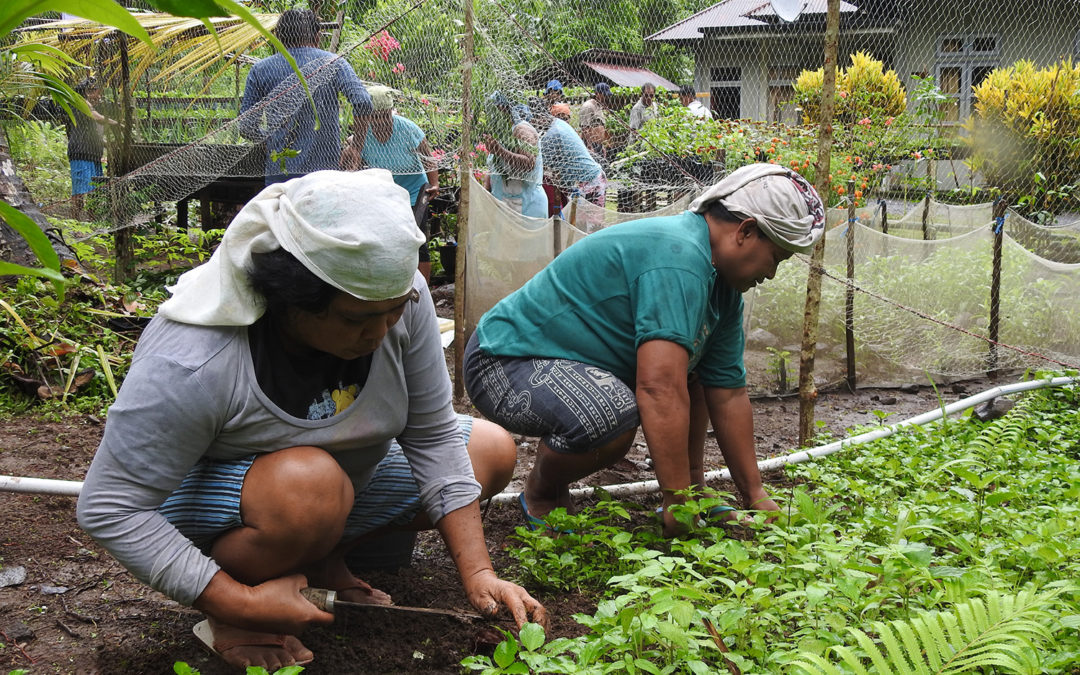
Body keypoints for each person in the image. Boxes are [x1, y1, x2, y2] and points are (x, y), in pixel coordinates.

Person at [76, 169, 546, 671]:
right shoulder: (196, 357)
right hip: (208, 504)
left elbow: (432, 435)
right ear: (291, 298)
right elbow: (112, 507)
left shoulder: (395, 297)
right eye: (356, 318)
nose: (381, 331)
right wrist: (237, 602)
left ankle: (318, 557)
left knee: (489, 450)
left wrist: (478, 574)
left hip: (320, 489)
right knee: (309, 485)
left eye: (393, 311)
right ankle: (245, 602)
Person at [463, 164, 825, 537]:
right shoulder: (680, 257)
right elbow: (659, 390)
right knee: (612, 412)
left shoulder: (723, 286)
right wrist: (676, 502)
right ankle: (543, 490)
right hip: (503, 360)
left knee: (696, 372)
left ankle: (697, 488)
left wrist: (754, 494)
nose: (771, 274)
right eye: (777, 258)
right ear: (745, 231)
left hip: (561, 364)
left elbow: (727, 392)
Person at [238, 9, 372, 184]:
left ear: (279, 37)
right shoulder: (334, 63)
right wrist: (356, 147)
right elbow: (363, 102)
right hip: (324, 174)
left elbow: (246, 126)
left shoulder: (261, 70)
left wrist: (267, 138)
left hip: (280, 176)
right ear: (317, 36)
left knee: (283, 211)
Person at [342, 85, 439, 280]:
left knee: (416, 239)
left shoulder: (408, 129)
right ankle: (393, 281)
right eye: (375, 116)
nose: (380, 121)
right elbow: (354, 159)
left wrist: (434, 184)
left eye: (384, 115)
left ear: (391, 112)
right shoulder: (362, 134)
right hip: (385, 192)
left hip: (414, 191)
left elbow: (429, 159)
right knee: (387, 236)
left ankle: (422, 289)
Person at [534, 107, 607, 230]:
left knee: (587, 229)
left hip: (590, 183)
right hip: (593, 179)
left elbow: (538, 166)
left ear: (539, 118)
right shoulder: (558, 124)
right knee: (586, 228)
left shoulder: (552, 135)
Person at [65, 78, 117, 219]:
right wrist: (116, 124)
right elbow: (97, 117)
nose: (99, 97)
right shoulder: (80, 103)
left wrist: (108, 144)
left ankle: (92, 223)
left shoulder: (88, 107)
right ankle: (76, 225)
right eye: (97, 93)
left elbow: (96, 134)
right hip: (81, 153)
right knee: (80, 192)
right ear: (88, 92)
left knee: (95, 191)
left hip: (94, 154)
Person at [483, 111, 548, 220]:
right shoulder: (500, 131)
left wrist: (501, 151)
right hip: (505, 204)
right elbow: (494, 168)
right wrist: (486, 190)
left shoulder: (523, 130)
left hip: (526, 207)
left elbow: (529, 163)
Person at [577, 82, 610, 159]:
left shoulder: (599, 106)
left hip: (598, 145)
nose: (606, 97)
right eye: (604, 95)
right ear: (597, 93)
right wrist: (589, 147)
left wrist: (602, 146)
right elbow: (585, 127)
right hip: (590, 144)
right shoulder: (588, 106)